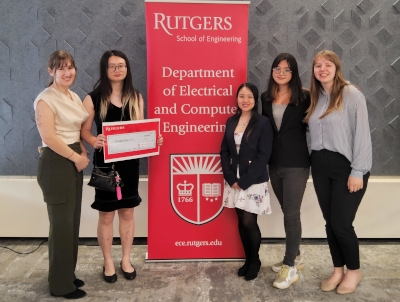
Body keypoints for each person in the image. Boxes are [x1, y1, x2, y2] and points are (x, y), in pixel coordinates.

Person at [81, 50, 163, 283]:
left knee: (127, 212)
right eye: (112, 66)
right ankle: (108, 261)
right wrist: (92, 140)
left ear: (127, 69)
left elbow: (140, 131)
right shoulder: (92, 98)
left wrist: (153, 140)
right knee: (106, 215)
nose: (117, 69)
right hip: (105, 165)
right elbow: (84, 131)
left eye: (122, 65)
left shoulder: (136, 97)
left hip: (129, 165)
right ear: (104, 70)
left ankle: (126, 259)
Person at [305, 50, 372, 294]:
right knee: (330, 223)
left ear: (336, 68)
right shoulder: (315, 97)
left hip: (347, 168)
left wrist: (358, 171)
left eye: (327, 65)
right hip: (321, 167)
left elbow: (362, 135)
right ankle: (337, 270)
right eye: (317, 65)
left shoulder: (351, 94)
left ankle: (353, 271)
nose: (322, 69)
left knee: (342, 224)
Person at [34, 50, 89, 299]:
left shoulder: (73, 96)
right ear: (51, 72)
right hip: (58, 164)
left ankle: (67, 273)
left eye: (70, 67)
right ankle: (59, 285)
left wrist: (83, 151)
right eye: (61, 68)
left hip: (72, 160)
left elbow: (74, 131)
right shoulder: (46, 99)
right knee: (61, 225)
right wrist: (76, 157)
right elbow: (49, 138)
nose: (67, 72)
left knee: (72, 222)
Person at [260, 53, 311, 289]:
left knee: (292, 214)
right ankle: (296, 255)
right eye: (277, 68)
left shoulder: (305, 97)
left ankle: (290, 266)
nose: (281, 73)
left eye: (287, 69)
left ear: (294, 73)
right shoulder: (266, 97)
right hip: (274, 162)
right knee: (286, 210)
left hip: (297, 163)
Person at [220, 83, 273, 281]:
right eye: (242, 96)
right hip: (234, 181)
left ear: (255, 99)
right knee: (241, 222)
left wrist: (246, 180)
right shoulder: (231, 121)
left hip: (253, 181)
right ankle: (248, 259)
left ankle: (255, 260)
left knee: (250, 221)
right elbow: (224, 150)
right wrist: (230, 177)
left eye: (249, 96)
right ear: (237, 99)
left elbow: (264, 154)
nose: (245, 100)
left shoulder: (262, 122)